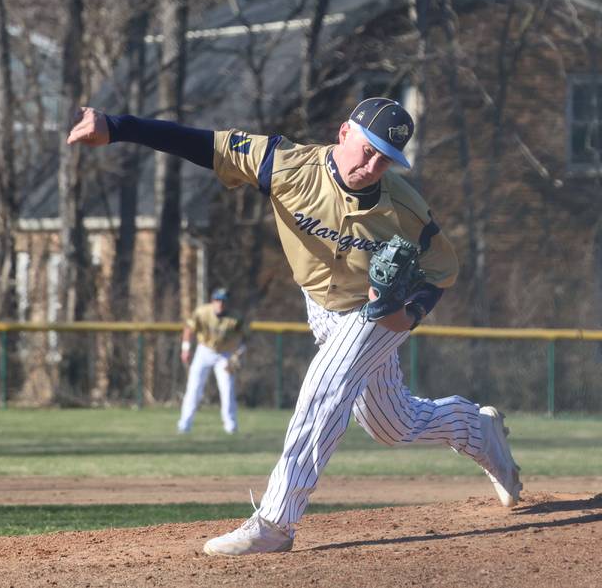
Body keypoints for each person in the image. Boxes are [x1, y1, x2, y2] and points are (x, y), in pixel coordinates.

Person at [67, 97, 522, 556]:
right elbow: (205, 145)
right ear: (344, 133)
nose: (372, 164)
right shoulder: (284, 164)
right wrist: (117, 126)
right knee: (392, 424)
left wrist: (408, 315)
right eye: (367, 148)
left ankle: (275, 523)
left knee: (325, 386)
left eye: (385, 158)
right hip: (320, 306)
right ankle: (476, 428)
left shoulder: (405, 209)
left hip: (376, 313)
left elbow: (443, 269)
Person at [178, 287, 246, 435]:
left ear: (227, 303)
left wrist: (237, 356)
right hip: (204, 351)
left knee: (227, 389)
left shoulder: (236, 317)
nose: (220, 304)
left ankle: (231, 426)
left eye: (223, 301)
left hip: (224, 354)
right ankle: (184, 424)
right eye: (217, 300)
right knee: (194, 388)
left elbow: (243, 338)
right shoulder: (202, 312)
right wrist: (186, 348)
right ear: (212, 301)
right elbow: (189, 329)